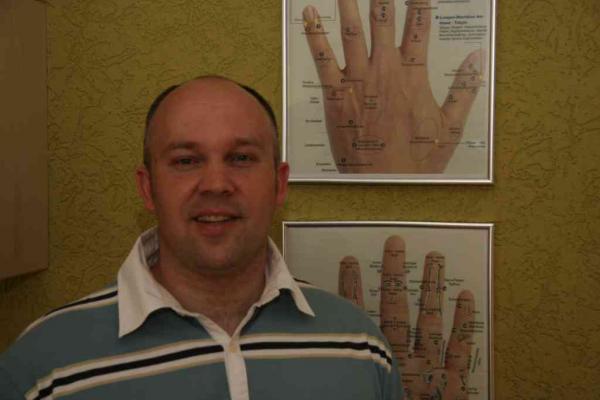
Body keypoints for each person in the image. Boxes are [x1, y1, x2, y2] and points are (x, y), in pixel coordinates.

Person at [0, 76, 402, 399]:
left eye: (241, 158)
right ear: (147, 189)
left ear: (279, 184)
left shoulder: (361, 348)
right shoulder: (44, 370)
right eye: (186, 161)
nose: (215, 184)